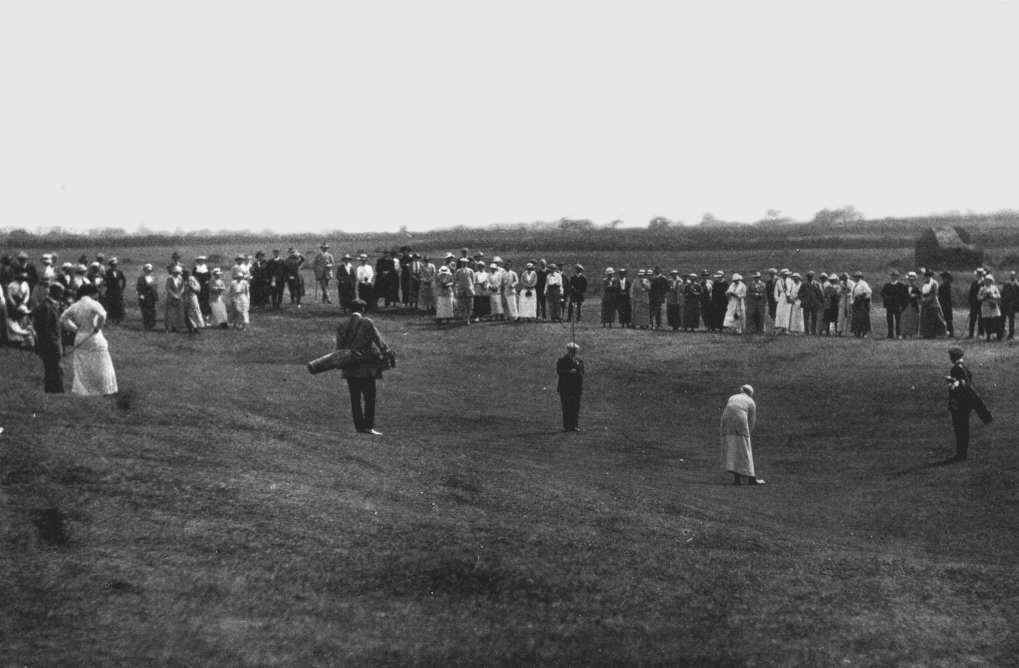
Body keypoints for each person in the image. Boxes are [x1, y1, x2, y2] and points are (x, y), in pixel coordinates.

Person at [336, 299, 394, 435]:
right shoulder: (367, 323)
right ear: (363, 310)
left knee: (354, 398)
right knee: (369, 397)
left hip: (349, 365)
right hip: (366, 366)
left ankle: (358, 427)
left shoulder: (342, 325)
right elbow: (379, 341)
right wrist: (387, 354)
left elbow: (338, 348)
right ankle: (368, 426)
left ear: (350, 310)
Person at [58, 284, 118, 396]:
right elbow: (103, 315)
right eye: (96, 293)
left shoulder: (75, 305)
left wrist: (74, 329)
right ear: (92, 293)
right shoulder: (94, 304)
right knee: (100, 362)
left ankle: (83, 389)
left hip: (80, 335)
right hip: (94, 336)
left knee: (82, 363)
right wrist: (98, 327)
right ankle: (103, 388)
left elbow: (62, 319)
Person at [945, 347, 992, 462]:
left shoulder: (956, 369)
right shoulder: (964, 367)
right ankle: (962, 453)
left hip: (960, 404)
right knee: (964, 428)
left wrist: (952, 382)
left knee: (960, 429)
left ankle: (961, 454)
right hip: (966, 403)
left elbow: (961, 385)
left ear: (952, 357)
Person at [721, 384, 763, 485]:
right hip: (740, 422)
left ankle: (737, 479)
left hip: (727, 422)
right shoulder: (751, 402)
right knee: (745, 448)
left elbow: (728, 410)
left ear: (741, 390)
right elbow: (752, 421)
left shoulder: (733, 397)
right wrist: (748, 434)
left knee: (733, 447)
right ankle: (751, 479)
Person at [32, 283, 64, 392]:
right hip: (50, 344)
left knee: (53, 368)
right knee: (53, 368)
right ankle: (55, 391)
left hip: (52, 342)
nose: (62, 296)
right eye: (61, 293)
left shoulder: (50, 305)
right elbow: (44, 328)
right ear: (56, 292)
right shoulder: (46, 306)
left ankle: (54, 390)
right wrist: (54, 343)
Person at [556, 342, 584, 432]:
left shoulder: (579, 360)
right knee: (566, 407)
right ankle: (567, 426)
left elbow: (582, 371)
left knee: (575, 407)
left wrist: (577, 372)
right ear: (568, 350)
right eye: (572, 351)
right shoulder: (562, 360)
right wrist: (569, 372)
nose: (574, 352)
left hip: (576, 387)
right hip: (565, 387)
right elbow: (559, 371)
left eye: (575, 351)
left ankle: (575, 425)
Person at [918, 270, 947, 339]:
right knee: (926, 320)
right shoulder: (924, 284)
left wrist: (926, 300)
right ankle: (927, 334)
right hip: (925, 304)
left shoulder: (934, 283)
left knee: (935, 319)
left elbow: (934, 294)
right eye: (926, 276)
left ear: (930, 276)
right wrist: (922, 300)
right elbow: (922, 293)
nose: (927, 277)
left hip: (933, 303)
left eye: (928, 276)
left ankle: (937, 334)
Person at [880, 270, 907, 339]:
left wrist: (903, 305)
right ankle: (890, 334)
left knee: (898, 321)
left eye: (895, 276)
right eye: (892, 276)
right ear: (891, 276)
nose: (894, 277)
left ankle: (898, 334)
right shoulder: (887, 285)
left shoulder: (901, 286)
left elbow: (904, 296)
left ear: (897, 277)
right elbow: (882, 293)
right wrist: (887, 299)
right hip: (889, 306)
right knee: (889, 321)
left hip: (898, 306)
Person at [977, 274, 1003, 341]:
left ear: (991, 281)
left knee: (995, 321)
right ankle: (988, 335)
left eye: (989, 280)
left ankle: (997, 335)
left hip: (993, 306)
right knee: (987, 321)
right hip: (985, 307)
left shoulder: (994, 288)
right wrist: (984, 296)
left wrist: (992, 295)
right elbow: (978, 297)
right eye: (986, 280)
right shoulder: (982, 288)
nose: (987, 281)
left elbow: (999, 296)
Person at [799, 271, 824, 335]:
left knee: (814, 317)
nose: (810, 278)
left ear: (813, 277)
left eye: (811, 276)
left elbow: (819, 293)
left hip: (814, 303)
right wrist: (803, 300)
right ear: (807, 277)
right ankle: (806, 331)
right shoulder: (804, 284)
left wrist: (821, 301)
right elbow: (799, 293)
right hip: (806, 303)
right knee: (806, 318)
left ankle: (813, 331)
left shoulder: (816, 284)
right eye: (809, 277)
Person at [135, 264, 159, 330]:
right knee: (145, 311)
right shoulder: (141, 278)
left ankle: (152, 325)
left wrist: (156, 296)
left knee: (152, 311)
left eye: (150, 270)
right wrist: (141, 295)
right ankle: (146, 325)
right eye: (147, 270)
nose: (149, 271)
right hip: (144, 296)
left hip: (152, 297)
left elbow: (155, 287)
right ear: (144, 270)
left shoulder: (153, 278)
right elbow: (138, 288)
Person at [164, 265, 187, 333]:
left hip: (179, 297)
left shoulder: (181, 278)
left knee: (179, 313)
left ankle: (177, 328)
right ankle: (168, 328)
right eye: (175, 272)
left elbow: (183, 287)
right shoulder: (170, 278)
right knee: (169, 313)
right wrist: (174, 295)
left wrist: (179, 294)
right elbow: (167, 288)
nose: (177, 273)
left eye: (178, 272)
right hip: (171, 297)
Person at [849, 271, 872, 337]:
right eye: (855, 277)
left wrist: (861, 296)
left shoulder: (863, 284)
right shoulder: (855, 284)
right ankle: (857, 331)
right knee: (856, 318)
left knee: (863, 317)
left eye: (857, 277)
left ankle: (864, 332)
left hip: (862, 302)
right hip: (856, 301)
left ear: (860, 277)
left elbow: (868, 291)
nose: (856, 278)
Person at [966, 268, 986, 338]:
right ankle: (971, 334)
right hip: (974, 303)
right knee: (972, 319)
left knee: (981, 319)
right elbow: (971, 293)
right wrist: (970, 302)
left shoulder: (984, 283)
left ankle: (981, 333)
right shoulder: (974, 283)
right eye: (978, 273)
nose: (979, 275)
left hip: (981, 303)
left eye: (980, 273)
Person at [772, 269, 791, 333]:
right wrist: (776, 299)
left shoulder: (790, 281)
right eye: (784, 275)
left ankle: (786, 328)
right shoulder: (778, 281)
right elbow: (776, 291)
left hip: (788, 297)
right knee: (780, 312)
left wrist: (790, 297)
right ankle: (780, 327)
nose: (785, 276)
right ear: (782, 275)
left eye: (787, 275)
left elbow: (791, 289)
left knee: (787, 312)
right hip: (782, 297)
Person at [1001, 271, 1018, 340]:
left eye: (1013, 275)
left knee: (1011, 320)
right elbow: (1003, 293)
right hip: (1005, 303)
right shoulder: (1006, 284)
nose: (1012, 276)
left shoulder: (1017, 284)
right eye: (1011, 275)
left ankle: (1011, 335)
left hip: (1012, 304)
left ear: (1015, 276)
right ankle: (1002, 333)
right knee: (1003, 319)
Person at [938, 271, 955, 337]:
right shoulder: (943, 285)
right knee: (944, 318)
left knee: (948, 319)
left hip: (946, 304)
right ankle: (945, 331)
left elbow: (948, 296)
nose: (943, 279)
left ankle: (950, 332)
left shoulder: (947, 285)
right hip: (942, 303)